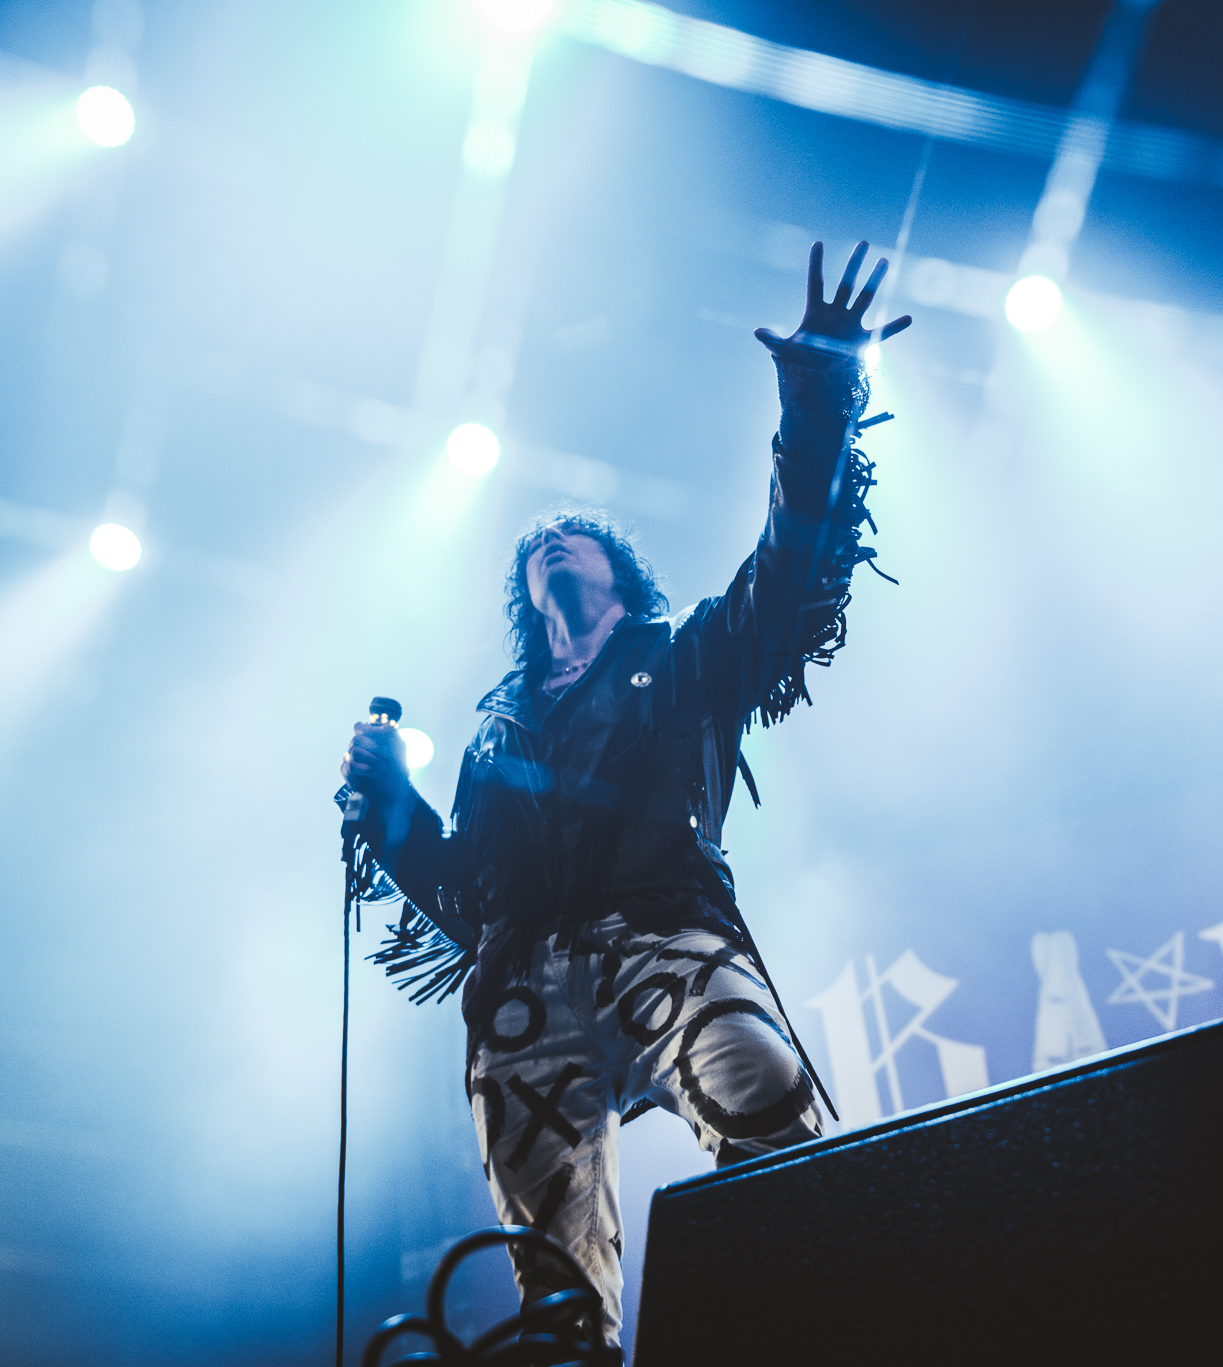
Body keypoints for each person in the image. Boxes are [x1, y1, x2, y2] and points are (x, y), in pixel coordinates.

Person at [340, 241, 911, 1348]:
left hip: (661, 934)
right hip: (520, 992)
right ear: (525, 595)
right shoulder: (494, 728)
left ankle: (821, 1305)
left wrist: (821, 392)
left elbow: (785, 571)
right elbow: (464, 893)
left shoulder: (681, 657)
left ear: (615, 571)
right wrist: (388, 805)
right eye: (534, 545)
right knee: (553, 1280)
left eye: (576, 534)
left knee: (761, 1098)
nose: (551, 538)